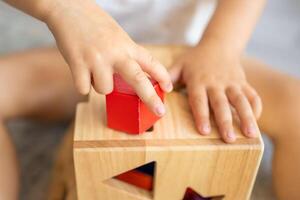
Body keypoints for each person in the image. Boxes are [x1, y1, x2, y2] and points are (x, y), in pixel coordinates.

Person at [0, 0, 299, 199]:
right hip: (87, 59)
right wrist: (62, 8)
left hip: (192, 55)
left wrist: (221, 46)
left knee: (294, 105)